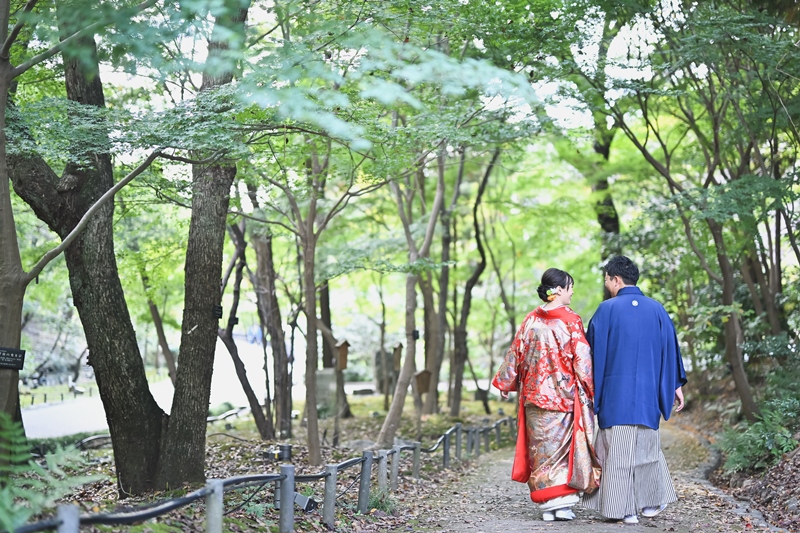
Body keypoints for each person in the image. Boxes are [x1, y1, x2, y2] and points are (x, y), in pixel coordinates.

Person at [581, 256, 688, 524]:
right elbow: (670, 351)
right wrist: (674, 385)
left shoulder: (606, 310)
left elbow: (589, 354)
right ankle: (650, 503)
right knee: (647, 450)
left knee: (617, 452)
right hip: (648, 395)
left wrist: (588, 391)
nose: (607, 285)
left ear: (616, 279)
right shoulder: (657, 310)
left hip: (615, 394)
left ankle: (625, 510)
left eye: (607, 280)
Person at [493, 268, 601, 522]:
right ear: (559, 290)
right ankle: (560, 505)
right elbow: (582, 360)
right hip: (562, 397)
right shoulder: (571, 320)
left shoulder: (531, 319)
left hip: (533, 396)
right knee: (560, 453)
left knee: (540, 452)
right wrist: (591, 389)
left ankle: (547, 505)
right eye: (570, 287)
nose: (572, 292)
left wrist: (505, 382)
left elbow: (516, 352)